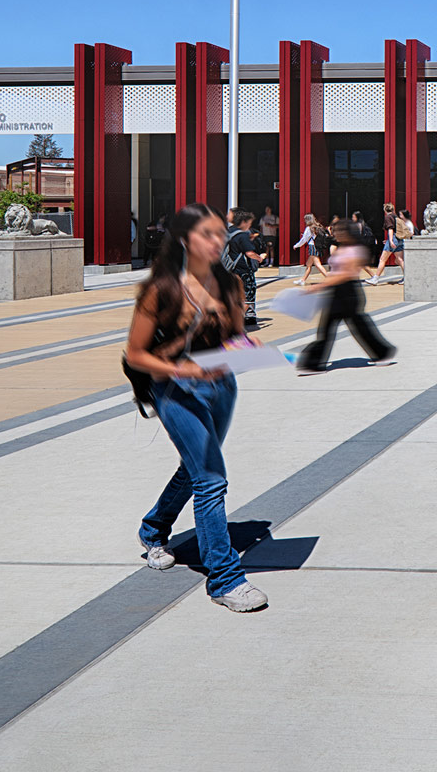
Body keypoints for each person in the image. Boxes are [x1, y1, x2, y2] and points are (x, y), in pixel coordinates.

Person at [122, 202, 267, 613]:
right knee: (210, 479)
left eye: (220, 233)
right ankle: (225, 579)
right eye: (207, 234)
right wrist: (178, 369)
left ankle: (152, 530)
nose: (217, 241)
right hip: (176, 389)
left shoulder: (231, 285)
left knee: (195, 471)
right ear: (185, 239)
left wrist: (248, 348)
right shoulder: (161, 289)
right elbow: (135, 353)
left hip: (222, 386)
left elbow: (234, 338)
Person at [296, 222, 399, 375]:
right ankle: (382, 352)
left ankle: (314, 363)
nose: (335, 234)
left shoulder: (356, 250)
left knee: (350, 327)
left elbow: (345, 274)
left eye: (339, 231)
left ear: (348, 233)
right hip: (337, 293)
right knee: (348, 327)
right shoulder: (341, 248)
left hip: (348, 293)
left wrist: (319, 286)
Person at [225, 211, 260, 328]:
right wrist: (259, 258)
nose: (249, 226)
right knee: (248, 294)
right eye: (249, 223)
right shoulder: (242, 235)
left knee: (234, 294)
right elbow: (249, 253)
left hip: (230, 268)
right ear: (243, 222)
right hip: (242, 269)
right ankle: (241, 318)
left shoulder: (228, 232)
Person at [367, 209, 412, 284]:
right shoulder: (396, 217)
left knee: (382, 259)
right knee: (400, 259)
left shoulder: (388, 217)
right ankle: (407, 277)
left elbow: (390, 229)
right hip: (399, 239)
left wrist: (390, 241)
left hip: (393, 239)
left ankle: (375, 279)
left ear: (385, 209)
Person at [291, 214, 328, 286]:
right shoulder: (317, 227)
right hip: (316, 247)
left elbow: (304, 240)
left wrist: (296, 245)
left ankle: (329, 279)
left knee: (317, 264)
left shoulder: (309, 229)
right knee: (308, 264)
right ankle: (302, 280)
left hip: (312, 247)